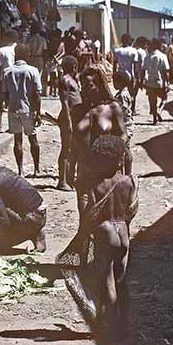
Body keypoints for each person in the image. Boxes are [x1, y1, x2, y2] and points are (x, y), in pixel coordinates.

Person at [56, 135, 138, 338]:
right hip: (123, 233)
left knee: (107, 281)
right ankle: (124, 326)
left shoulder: (90, 184)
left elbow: (85, 215)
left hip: (105, 234)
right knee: (121, 280)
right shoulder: (128, 181)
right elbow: (132, 210)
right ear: (119, 159)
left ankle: (110, 329)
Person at [73, 64, 126, 217]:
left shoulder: (112, 108)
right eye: (82, 85)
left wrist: (113, 150)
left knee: (106, 217)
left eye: (89, 85)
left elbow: (123, 134)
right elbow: (73, 141)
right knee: (85, 219)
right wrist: (70, 166)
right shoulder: (78, 110)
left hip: (106, 172)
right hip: (84, 171)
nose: (85, 89)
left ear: (99, 85)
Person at [2, 42, 42, 177]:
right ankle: (36, 169)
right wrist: (38, 112)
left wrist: (9, 105)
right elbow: (37, 94)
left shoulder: (7, 71)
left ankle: (20, 170)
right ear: (27, 55)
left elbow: (5, 93)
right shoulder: (33, 70)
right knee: (33, 139)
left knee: (17, 141)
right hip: (28, 109)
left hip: (13, 109)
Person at [57, 55, 82, 191]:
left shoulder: (74, 79)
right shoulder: (65, 80)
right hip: (68, 118)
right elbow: (65, 102)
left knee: (74, 149)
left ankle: (70, 178)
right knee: (66, 149)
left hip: (75, 118)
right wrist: (68, 121)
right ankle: (62, 181)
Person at [0, 29, 18, 132]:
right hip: (16, 80)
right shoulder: (20, 48)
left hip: (4, 79)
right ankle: (13, 126)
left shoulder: (2, 50)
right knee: (13, 103)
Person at [143, 37, 170, 125]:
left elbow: (144, 70)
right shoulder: (163, 56)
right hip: (159, 82)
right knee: (164, 98)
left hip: (150, 82)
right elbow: (166, 71)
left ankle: (155, 118)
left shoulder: (147, 57)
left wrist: (143, 81)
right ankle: (159, 110)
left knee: (152, 100)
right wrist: (168, 82)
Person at [113, 69, 134, 175]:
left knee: (125, 150)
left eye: (114, 81)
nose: (113, 83)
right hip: (126, 124)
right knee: (126, 149)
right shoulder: (123, 93)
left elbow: (121, 110)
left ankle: (127, 174)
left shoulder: (122, 95)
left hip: (125, 125)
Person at [44, 28, 65, 97]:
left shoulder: (52, 42)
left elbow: (50, 52)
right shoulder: (62, 43)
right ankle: (59, 91)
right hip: (60, 60)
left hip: (53, 60)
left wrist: (55, 58)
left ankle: (53, 91)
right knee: (59, 76)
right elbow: (63, 52)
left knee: (53, 77)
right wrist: (58, 58)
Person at [132, 37, 148, 115]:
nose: (146, 45)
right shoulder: (142, 52)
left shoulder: (133, 50)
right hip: (139, 73)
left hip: (133, 73)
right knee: (135, 93)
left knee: (133, 93)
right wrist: (142, 78)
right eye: (145, 44)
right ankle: (133, 109)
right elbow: (143, 65)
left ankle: (132, 108)